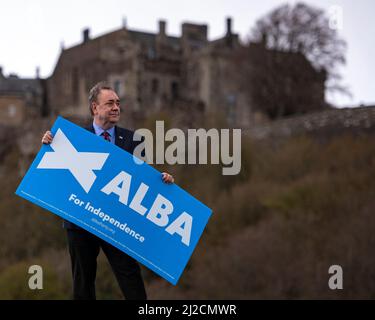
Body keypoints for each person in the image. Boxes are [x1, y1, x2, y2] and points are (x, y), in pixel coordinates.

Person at [41, 82, 174, 300]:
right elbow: (53, 173)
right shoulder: (72, 139)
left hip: (117, 222)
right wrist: (48, 144)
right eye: (110, 103)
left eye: (118, 103)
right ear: (95, 108)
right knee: (83, 285)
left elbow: (144, 180)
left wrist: (163, 180)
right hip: (80, 222)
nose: (116, 107)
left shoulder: (134, 140)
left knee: (131, 281)